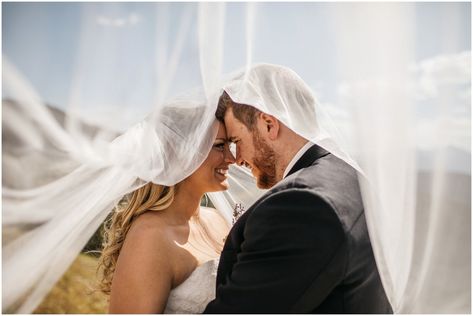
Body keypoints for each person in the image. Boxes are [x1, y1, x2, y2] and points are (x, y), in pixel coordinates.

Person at [203, 64, 393, 313]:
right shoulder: (350, 175)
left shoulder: (299, 207)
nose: (237, 159)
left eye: (237, 141)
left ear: (269, 124)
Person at [97, 122, 235, 313]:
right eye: (220, 145)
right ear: (180, 155)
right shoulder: (150, 236)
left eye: (230, 145)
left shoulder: (219, 220)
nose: (232, 158)